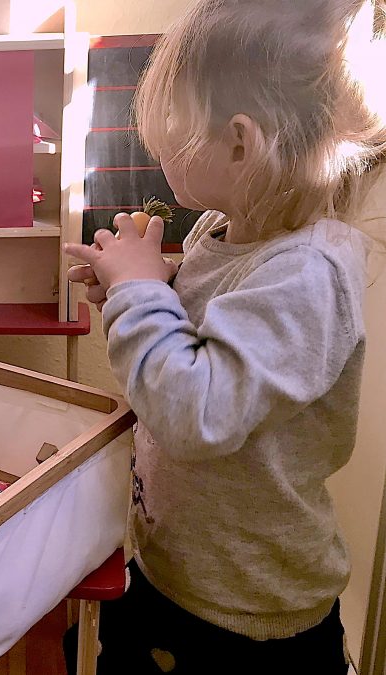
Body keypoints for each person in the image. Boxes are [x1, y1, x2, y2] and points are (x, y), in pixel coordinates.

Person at [64, 0, 385, 672]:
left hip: (246, 618)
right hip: (177, 566)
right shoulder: (223, 227)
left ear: (240, 141)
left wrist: (140, 294)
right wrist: (146, 288)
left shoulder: (310, 273)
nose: (157, 147)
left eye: (173, 129)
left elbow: (196, 409)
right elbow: (208, 335)